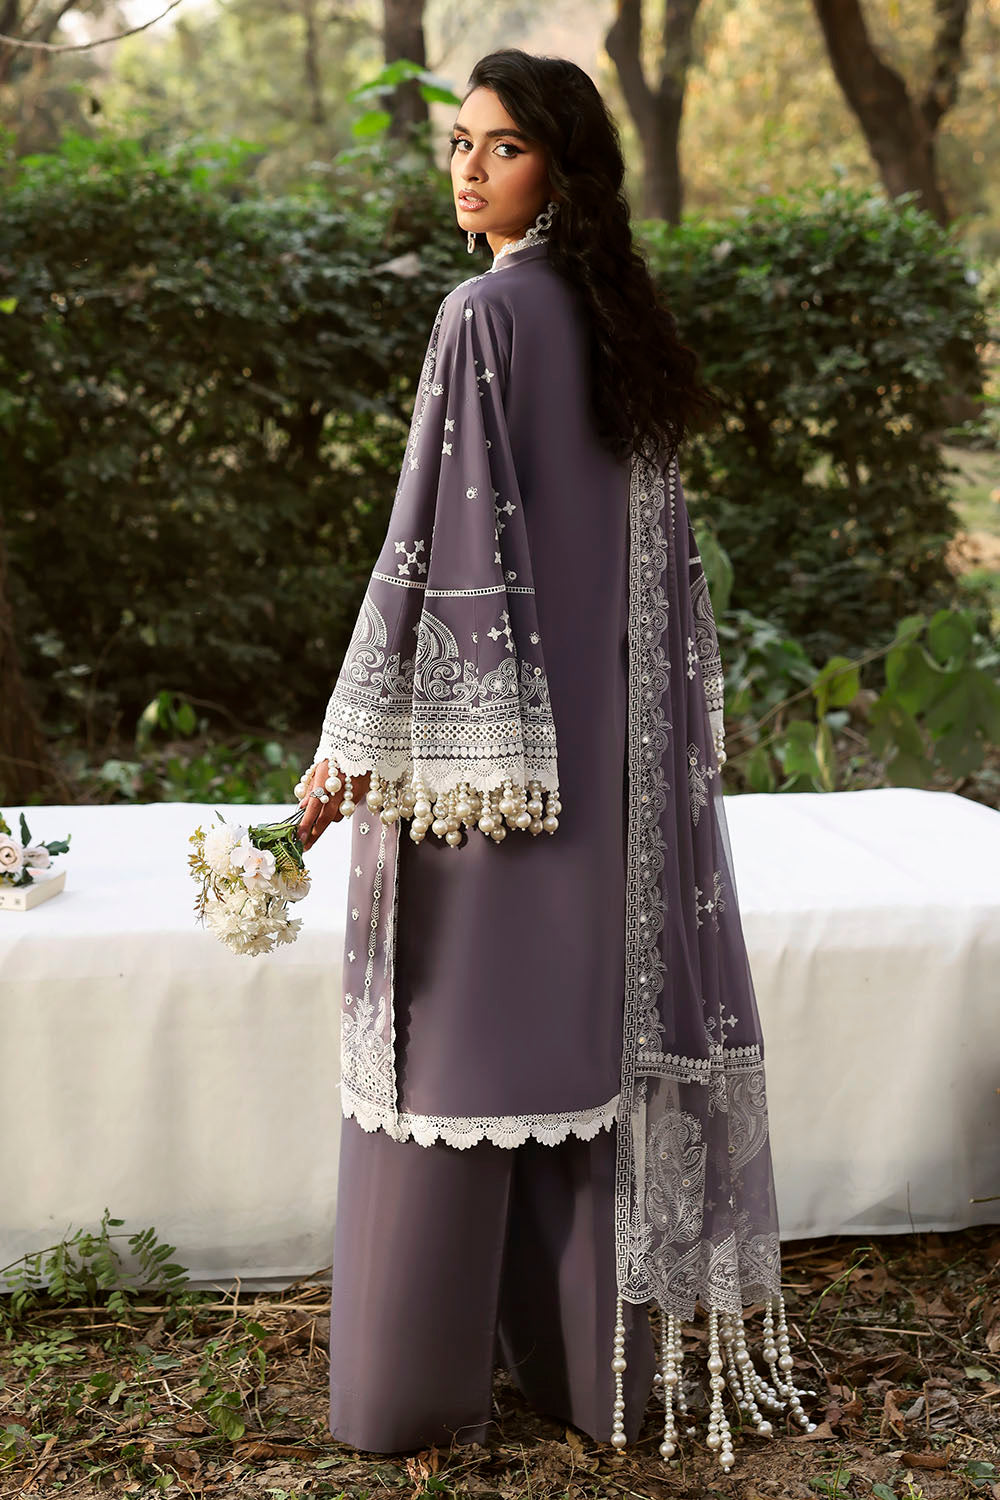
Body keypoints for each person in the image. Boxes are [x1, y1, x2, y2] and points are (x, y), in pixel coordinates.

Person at [294, 48, 816, 1470]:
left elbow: (428, 550)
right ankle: (594, 1375)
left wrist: (347, 757)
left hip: (487, 774)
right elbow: (663, 590)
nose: (469, 169)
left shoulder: (482, 316)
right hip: (614, 783)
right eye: (462, 142)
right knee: (580, 1044)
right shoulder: (618, 323)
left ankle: (408, 1391)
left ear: (562, 171)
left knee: (447, 1047)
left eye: (503, 146)